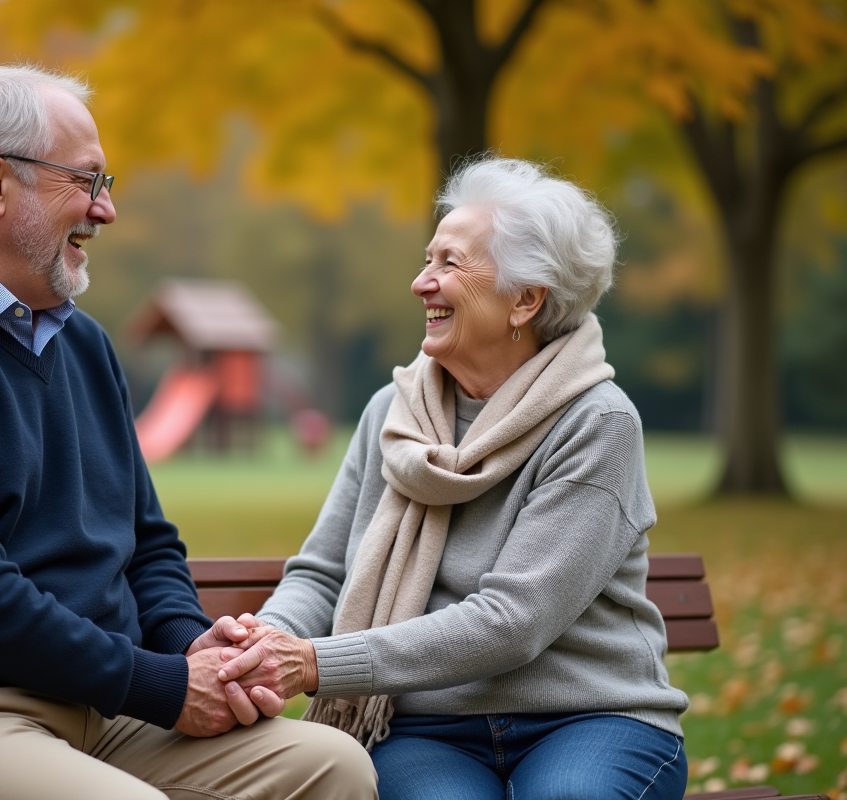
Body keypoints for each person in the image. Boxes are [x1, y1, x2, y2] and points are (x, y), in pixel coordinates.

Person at [0, 64, 376, 800]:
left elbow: (146, 541)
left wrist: (191, 644)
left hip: (93, 709)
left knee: (331, 769)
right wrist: (158, 683)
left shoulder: (81, 344)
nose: (107, 209)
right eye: (87, 182)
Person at [217, 157, 690, 799]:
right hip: (425, 728)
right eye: (427, 259)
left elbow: (510, 621)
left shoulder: (598, 423)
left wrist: (314, 663)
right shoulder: (393, 413)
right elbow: (325, 573)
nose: (421, 282)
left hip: (590, 718)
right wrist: (265, 642)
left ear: (526, 299)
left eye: (449, 264)